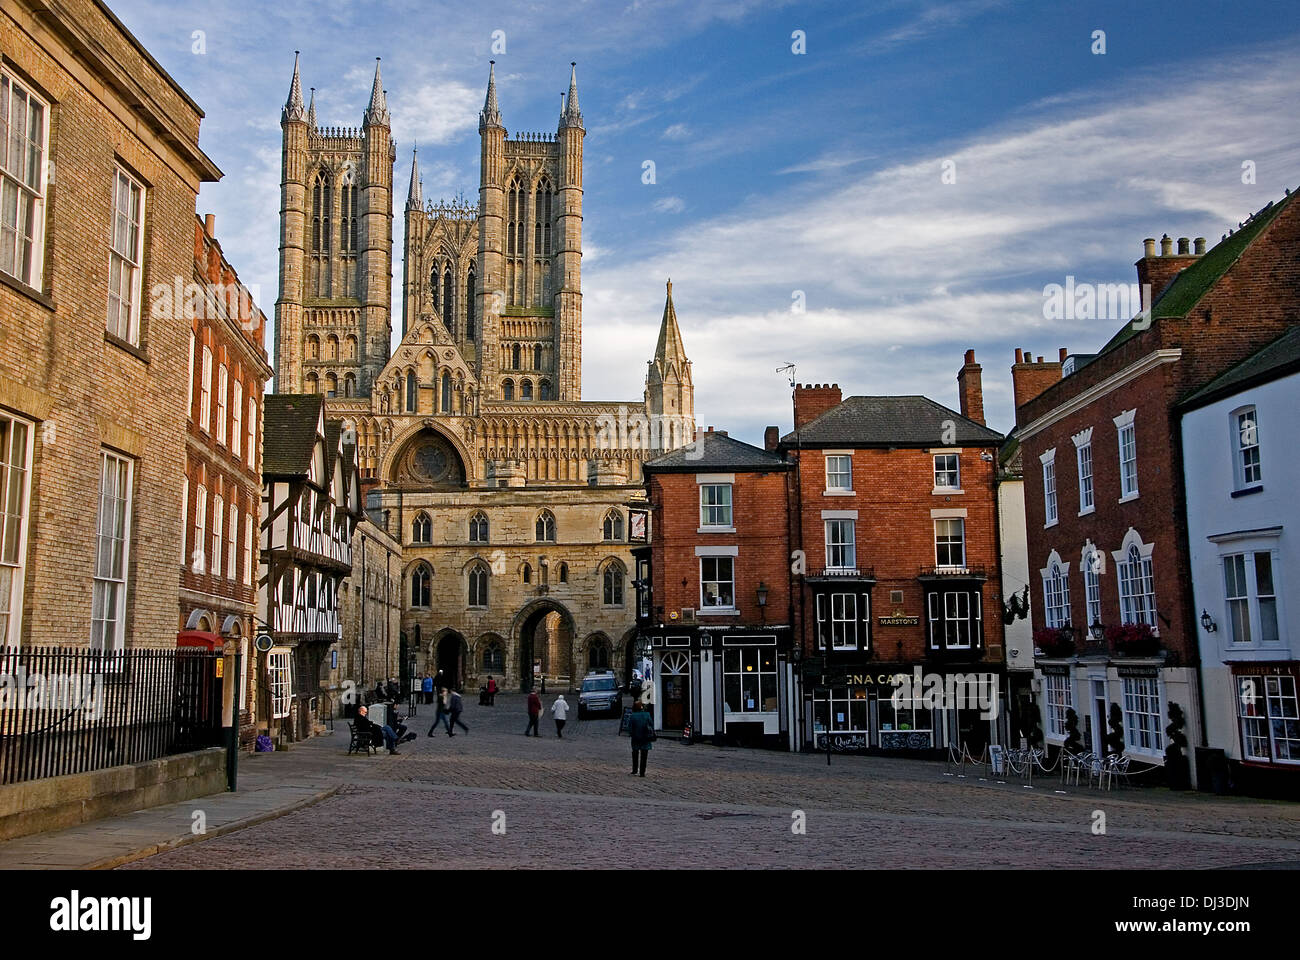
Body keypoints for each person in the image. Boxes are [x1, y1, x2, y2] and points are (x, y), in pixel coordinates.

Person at [627, 701, 655, 776]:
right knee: (644, 756)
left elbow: (630, 727)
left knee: (635, 754)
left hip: (636, 737)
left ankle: (635, 769)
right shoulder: (647, 714)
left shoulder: (633, 716)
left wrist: (631, 734)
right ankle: (642, 772)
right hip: (646, 737)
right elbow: (651, 724)